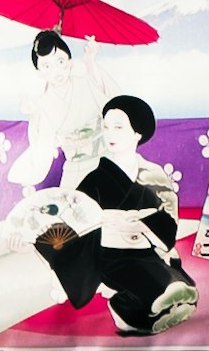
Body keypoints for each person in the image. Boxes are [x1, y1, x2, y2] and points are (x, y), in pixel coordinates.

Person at [29, 92, 196, 337]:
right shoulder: (96, 176)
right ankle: (142, 310)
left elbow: (169, 219)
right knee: (143, 286)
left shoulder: (154, 174)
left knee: (165, 276)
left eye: (118, 127)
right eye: (106, 127)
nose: (110, 134)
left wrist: (141, 224)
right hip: (107, 253)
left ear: (138, 132)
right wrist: (37, 239)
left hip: (144, 247)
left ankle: (168, 302)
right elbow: (72, 217)